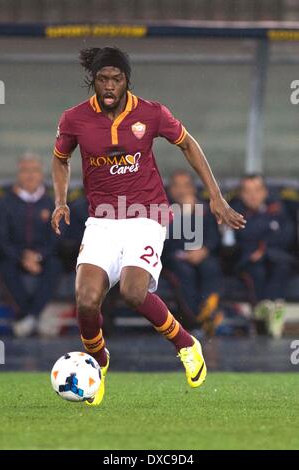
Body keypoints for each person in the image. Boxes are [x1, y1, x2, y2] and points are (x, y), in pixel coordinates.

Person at [51, 47, 245, 406]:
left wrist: (215, 196)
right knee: (87, 301)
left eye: (117, 78)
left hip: (146, 215)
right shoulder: (74, 119)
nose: (109, 86)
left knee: (133, 291)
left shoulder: (151, 113)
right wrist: (61, 200)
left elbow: (187, 144)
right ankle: (99, 362)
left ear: (127, 80)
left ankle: (187, 344)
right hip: (103, 220)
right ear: (92, 80)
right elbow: (60, 159)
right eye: (102, 78)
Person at [0, 153, 61, 337]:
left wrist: (38, 256)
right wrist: (22, 257)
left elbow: (56, 236)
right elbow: (2, 238)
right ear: (19, 174)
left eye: (34, 170)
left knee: (55, 266)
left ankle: (27, 318)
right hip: (14, 256)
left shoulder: (52, 201)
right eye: (25, 170)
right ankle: (33, 316)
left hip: (43, 256)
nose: (30, 175)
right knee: (6, 267)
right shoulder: (5, 202)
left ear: (41, 174)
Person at [232, 173, 295, 337]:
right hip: (247, 260)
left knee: (282, 266)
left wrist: (263, 249)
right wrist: (268, 229)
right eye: (248, 191)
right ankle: (263, 313)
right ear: (241, 194)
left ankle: (272, 309)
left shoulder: (279, 207)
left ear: (265, 192)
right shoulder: (234, 209)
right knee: (256, 270)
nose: (253, 195)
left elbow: (287, 235)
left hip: (276, 257)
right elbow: (241, 236)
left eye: (257, 190)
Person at [163, 170, 223, 325]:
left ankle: (208, 312)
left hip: (201, 255)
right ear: (170, 190)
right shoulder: (161, 208)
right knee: (184, 272)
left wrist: (204, 250)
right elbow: (165, 240)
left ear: (193, 189)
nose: (182, 190)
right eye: (177, 186)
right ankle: (194, 319)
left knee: (211, 267)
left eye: (186, 186)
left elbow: (214, 237)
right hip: (174, 258)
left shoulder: (205, 207)